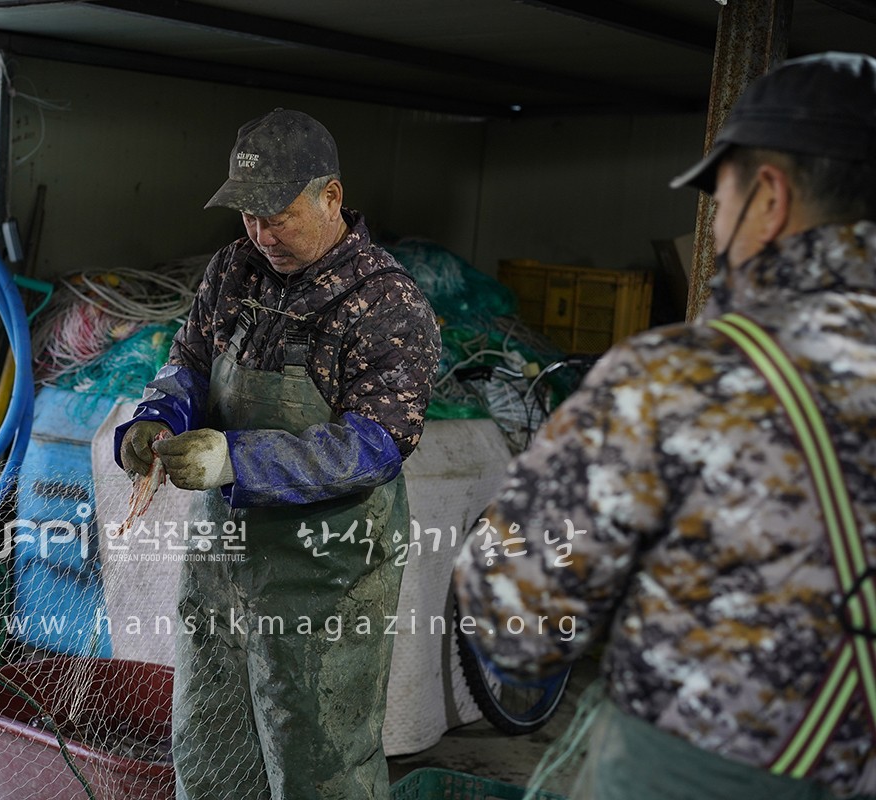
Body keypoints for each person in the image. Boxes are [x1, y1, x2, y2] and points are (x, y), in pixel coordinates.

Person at [453, 52, 876, 800]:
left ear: (769, 199)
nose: (715, 235)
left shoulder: (681, 377)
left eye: (724, 197)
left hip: (700, 770)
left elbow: (517, 616)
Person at [114, 108, 441, 799]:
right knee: (210, 749)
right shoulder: (236, 269)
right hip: (223, 565)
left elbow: (374, 444)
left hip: (327, 578)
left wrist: (236, 460)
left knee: (320, 764)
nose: (262, 235)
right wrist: (157, 417)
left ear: (331, 197)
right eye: (248, 217)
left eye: (278, 216)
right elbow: (191, 363)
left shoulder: (386, 302)